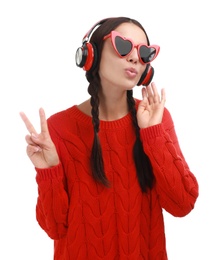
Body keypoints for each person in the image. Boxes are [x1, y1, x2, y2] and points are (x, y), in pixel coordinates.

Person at [20, 17, 199, 260]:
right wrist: (48, 171)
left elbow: (183, 204)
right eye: (123, 46)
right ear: (90, 54)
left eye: (145, 52)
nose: (135, 58)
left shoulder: (156, 118)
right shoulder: (59, 128)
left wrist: (153, 135)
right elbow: (55, 228)